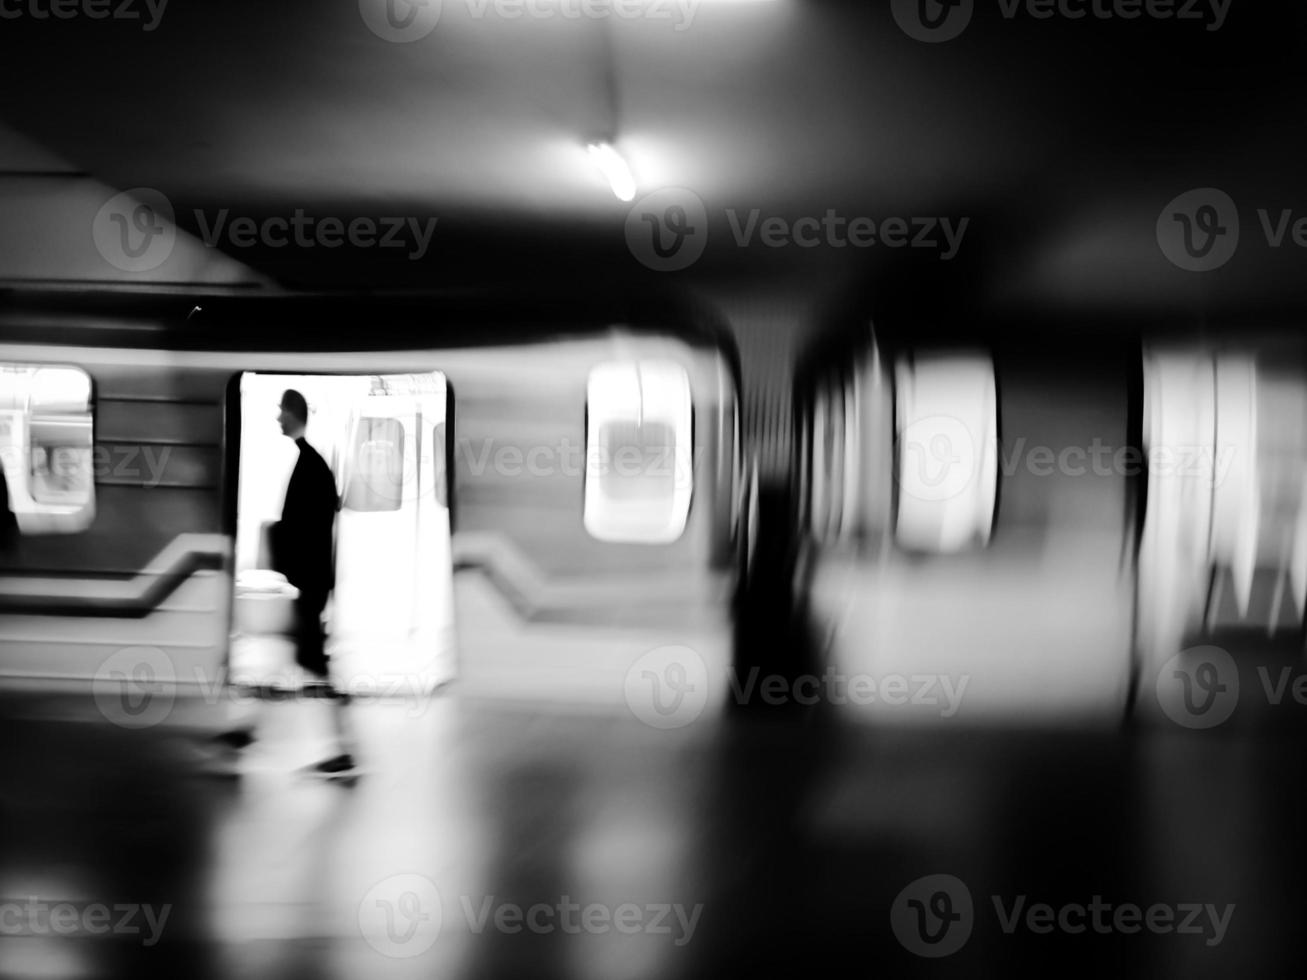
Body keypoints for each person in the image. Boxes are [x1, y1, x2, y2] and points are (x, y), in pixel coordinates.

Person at [214, 389, 357, 778]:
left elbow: (307, 531)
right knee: (295, 660)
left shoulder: (309, 466)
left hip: (309, 584)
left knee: (310, 663)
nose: (277, 418)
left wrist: (277, 541)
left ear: (293, 413)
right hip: (310, 583)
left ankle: (341, 751)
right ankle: (248, 731)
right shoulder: (311, 462)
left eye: (281, 411)